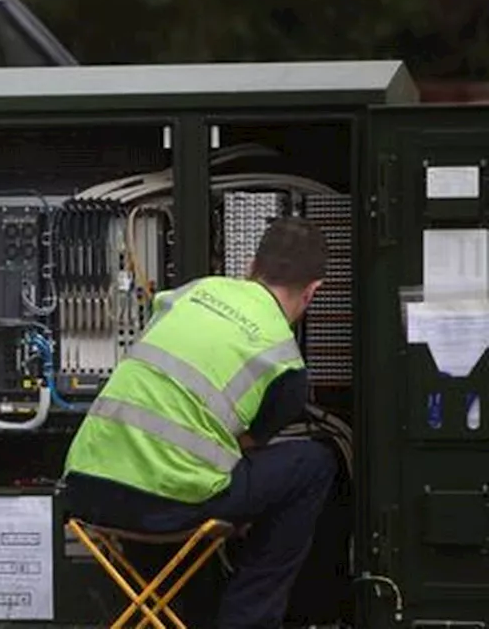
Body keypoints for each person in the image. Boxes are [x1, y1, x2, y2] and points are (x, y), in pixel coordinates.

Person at [61, 216, 338, 629]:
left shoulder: (187, 294)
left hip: (86, 489)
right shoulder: (286, 365)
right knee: (315, 465)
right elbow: (243, 445)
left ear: (249, 267)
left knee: (190, 471)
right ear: (313, 292)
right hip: (166, 506)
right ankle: (248, 621)